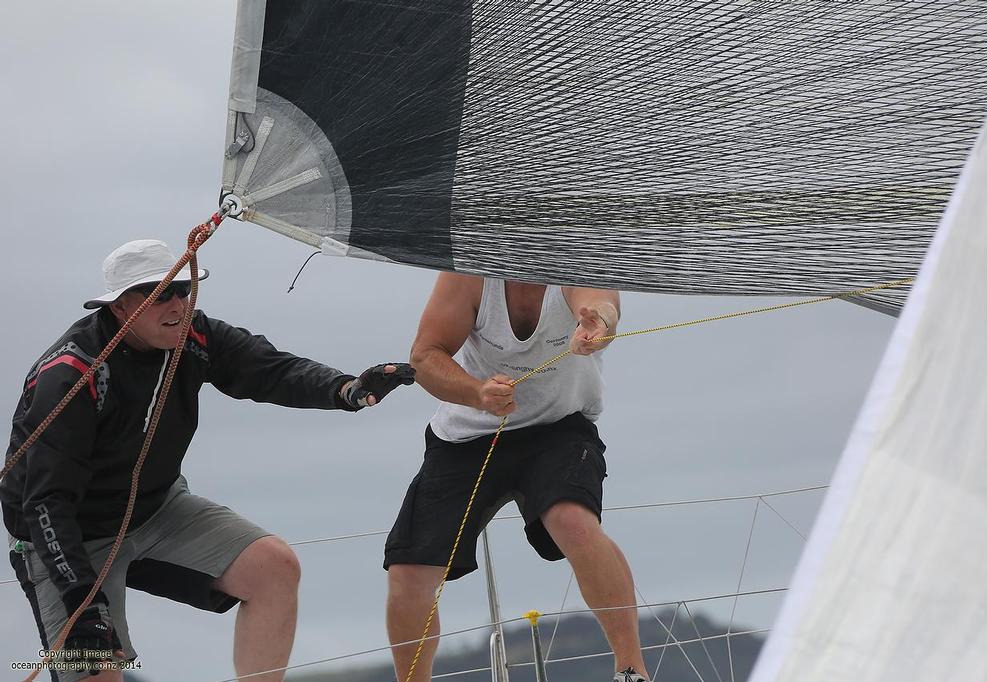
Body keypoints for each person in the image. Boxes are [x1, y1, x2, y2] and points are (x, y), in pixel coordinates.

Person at [1, 239, 415, 682]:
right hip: (63, 537)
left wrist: (346, 389)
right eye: (160, 294)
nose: (178, 302)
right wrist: (82, 601)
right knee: (98, 668)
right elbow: (44, 501)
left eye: (183, 288)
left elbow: (269, 369)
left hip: (156, 509)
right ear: (121, 307)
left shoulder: (194, 336)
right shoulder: (71, 376)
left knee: (275, 568)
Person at [384, 273, 651, 682]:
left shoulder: (571, 260)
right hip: (467, 433)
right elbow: (425, 357)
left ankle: (631, 672)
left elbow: (603, 305)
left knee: (572, 521)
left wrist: (599, 323)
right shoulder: (468, 273)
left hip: (559, 427)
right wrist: (477, 392)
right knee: (409, 570)